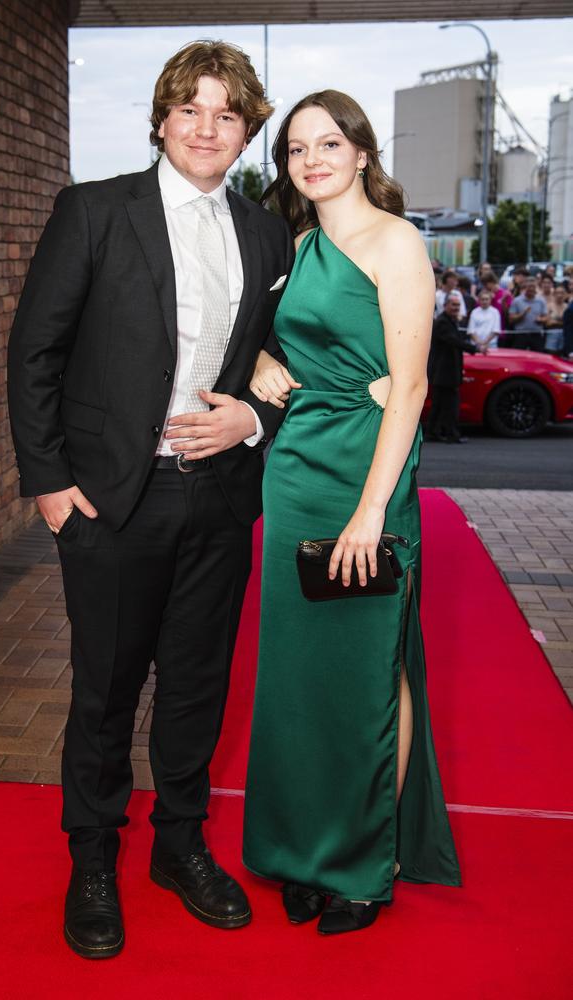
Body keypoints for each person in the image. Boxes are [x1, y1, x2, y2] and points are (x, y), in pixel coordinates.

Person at [7, 40, 294, 958]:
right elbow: (34, 353)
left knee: (197, 686)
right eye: (191, 110)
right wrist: (51, 485)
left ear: (246, 130)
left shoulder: (264, 232)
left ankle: (179, 844)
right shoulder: (93, 210)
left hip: (219, 498)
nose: (207, 128)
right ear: (163, 119)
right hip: (110, 502)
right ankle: (92, 856)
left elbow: (279, 362)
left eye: (228, 114)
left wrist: (249, 420)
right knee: (106, 692)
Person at [242, 89, 461, 936]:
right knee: (300, 681)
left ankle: (364, 867)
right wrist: (262, 357)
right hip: (296, 471)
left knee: (372, 670)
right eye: (297, 149)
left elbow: (410, 387)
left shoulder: (397, 242)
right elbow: (247, 328)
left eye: (328, 143)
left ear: (362, 153)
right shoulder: (294, 246)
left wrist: (373, 511)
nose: (312, 159)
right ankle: (303, 852)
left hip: (369, 477)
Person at [426, 292, 478, 442]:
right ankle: (452, 434)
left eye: (458, 305)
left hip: (443, 372)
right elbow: (454, 341)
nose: (456, 308)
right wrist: (475, 349)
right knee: (451, 406)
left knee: (439, 405)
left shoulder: (448, 321)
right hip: (444, 372)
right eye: (453, 305)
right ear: (445, 306)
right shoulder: (443, 322)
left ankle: (432, 432)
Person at [507, 276, 548, 350]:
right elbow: (511, 319)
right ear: (525, 287)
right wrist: (522, 314)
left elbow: (546, 317)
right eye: (529, 287)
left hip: (536, 334)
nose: (531, 289)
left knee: (538, 356)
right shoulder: (517, 301)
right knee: (519, 357)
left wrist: (541, 319)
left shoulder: (541, 301)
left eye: (533, 287)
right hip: (520, 334)